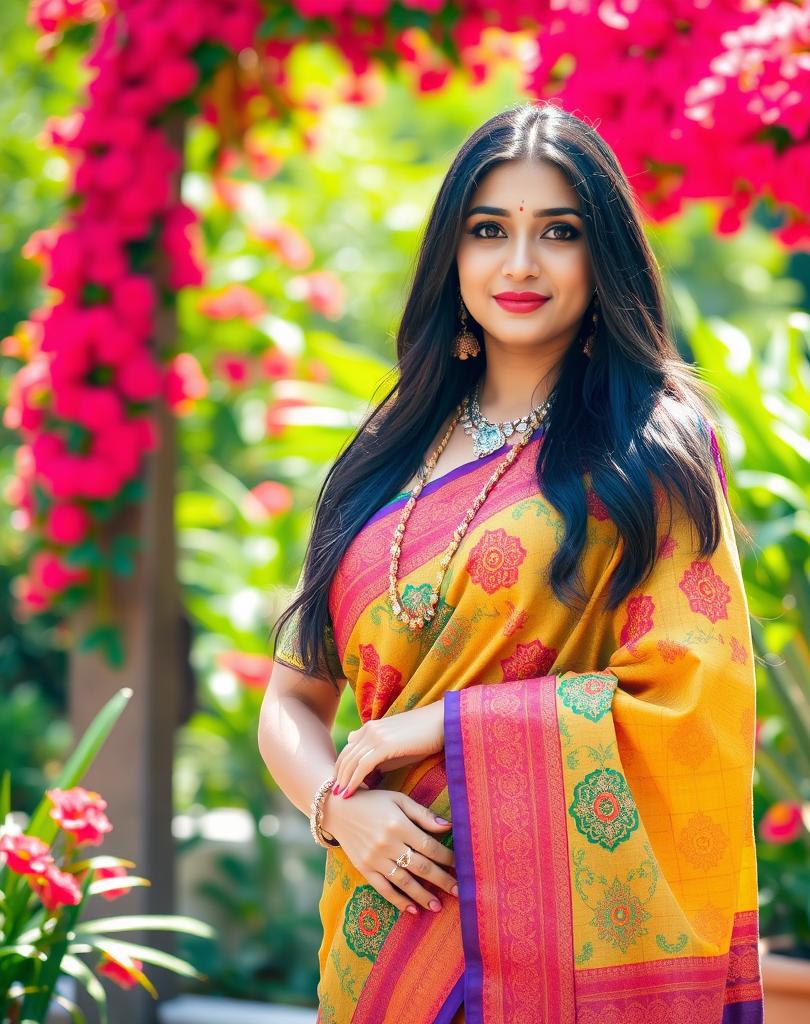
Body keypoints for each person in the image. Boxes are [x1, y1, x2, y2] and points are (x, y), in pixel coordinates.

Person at [258, 100, 763, 1024]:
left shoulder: (650, 453)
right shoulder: (383, 455)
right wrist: (340, 811)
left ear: (599, 258)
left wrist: (437, 728)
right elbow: (292, 701)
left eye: (557, 232)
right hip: (382, 931)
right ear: (452, 255)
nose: (520, 263)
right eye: (489, 229)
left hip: (557, 945)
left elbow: (701, 696)